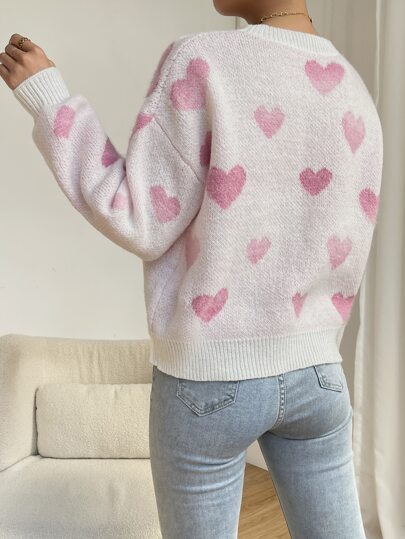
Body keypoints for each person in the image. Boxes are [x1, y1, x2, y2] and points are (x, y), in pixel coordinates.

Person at [1, 0, 382, 537]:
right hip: (318, 375)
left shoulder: (203, 61)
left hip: (208, 381)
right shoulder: (351, 87)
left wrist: (49, 99)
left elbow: (139, 217)